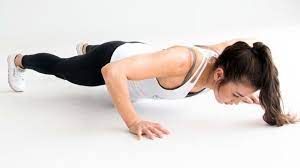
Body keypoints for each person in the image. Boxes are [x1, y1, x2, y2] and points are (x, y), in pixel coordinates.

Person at [7, 39, 299, 140]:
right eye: (236, 95)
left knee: (114, 55)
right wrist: (133, 121)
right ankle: (20, 60)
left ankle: (89, 47)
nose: (237, 101)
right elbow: (113, 73)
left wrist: (246, 90)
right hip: (112, 61)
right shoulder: (182, 61)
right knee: (64, 69)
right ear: (220, 74)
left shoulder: (228, 57)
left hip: (139, 54)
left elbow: (243, 42)